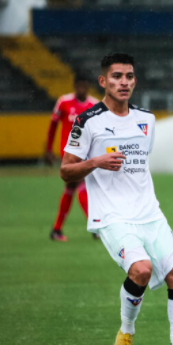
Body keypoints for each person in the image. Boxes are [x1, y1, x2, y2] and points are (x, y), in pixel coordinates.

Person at [60, 53, 173, 345]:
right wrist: (96, 162)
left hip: (150, 214)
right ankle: (125, 334)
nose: (123, 82)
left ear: (135, 81)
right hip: (112, 216)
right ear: (103, 81)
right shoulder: (87, 121)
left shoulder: (146, 119)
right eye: (116, 76)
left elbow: (139, 165)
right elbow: (66, 171)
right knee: (141, 270)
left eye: (129, 76)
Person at [45, 75, 99, 241]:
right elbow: (53, 125)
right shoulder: (64, 102)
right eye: (79, 86)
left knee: (70, 187)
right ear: (75, 86)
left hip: (86, 152)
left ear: (87, 86)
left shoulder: (94, 105)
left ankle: (56, 229)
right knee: (81, 184)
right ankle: (95, 227)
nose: (81, 89)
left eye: (84, 86)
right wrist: (48, 149)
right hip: (68, 153)